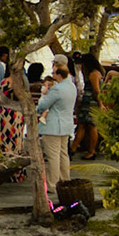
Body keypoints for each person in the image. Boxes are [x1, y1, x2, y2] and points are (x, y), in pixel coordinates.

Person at [37, 55, 77, 194]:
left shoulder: (57, 89)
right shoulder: (72, 86)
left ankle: (53, 184)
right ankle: (65, 179)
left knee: (53, 156)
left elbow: (43, 106)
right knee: (63, 154)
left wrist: (41, 102)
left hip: (53, 126)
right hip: (66, 124)